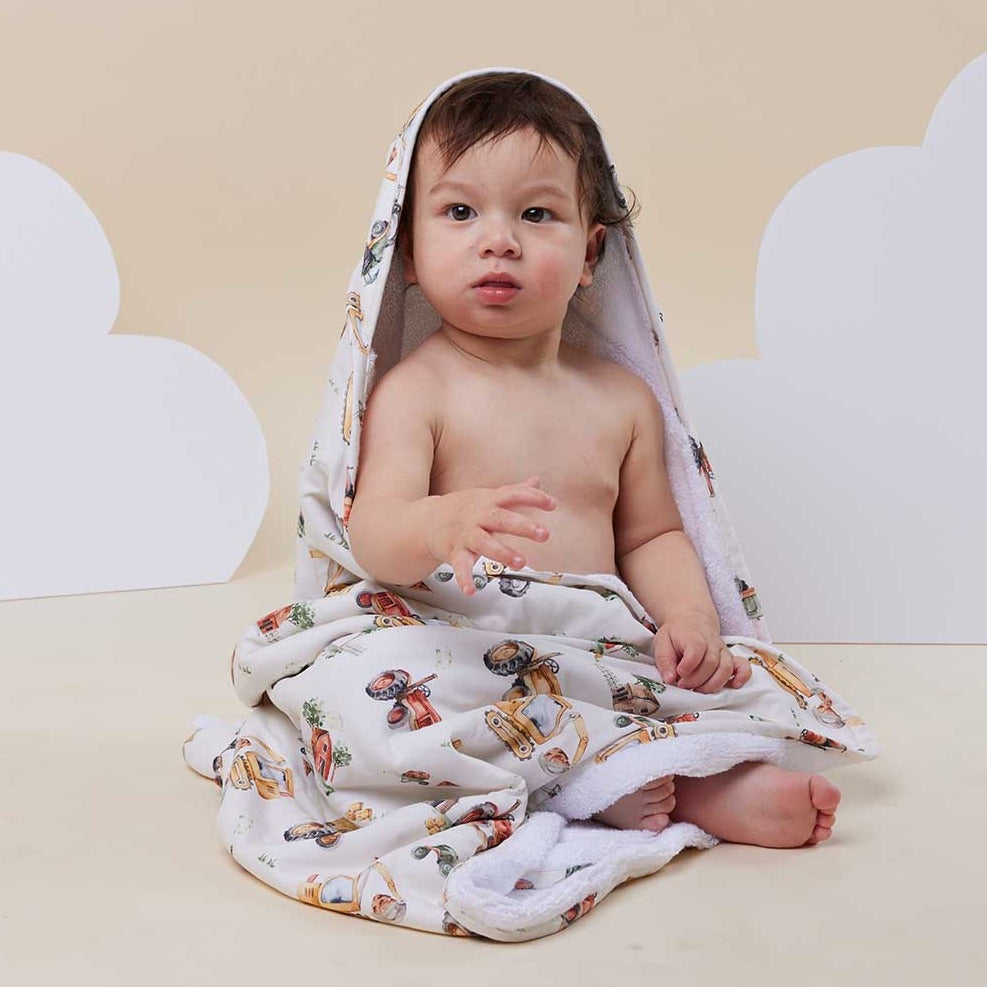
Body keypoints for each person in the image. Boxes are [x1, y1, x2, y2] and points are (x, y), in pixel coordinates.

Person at [346, 72, 840, 848]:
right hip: (467, 649)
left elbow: (651, 536)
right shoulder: (416, 391)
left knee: (697, 689)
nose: (498, 239)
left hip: (591, 652)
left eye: (536, 213)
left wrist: (687, 617)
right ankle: (597, 783)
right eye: (460, 212)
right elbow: (373, 534)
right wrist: (438, 523)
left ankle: (695, 780)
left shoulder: (620, 400)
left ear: (590, 252)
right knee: (375, 687)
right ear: (407, 249)